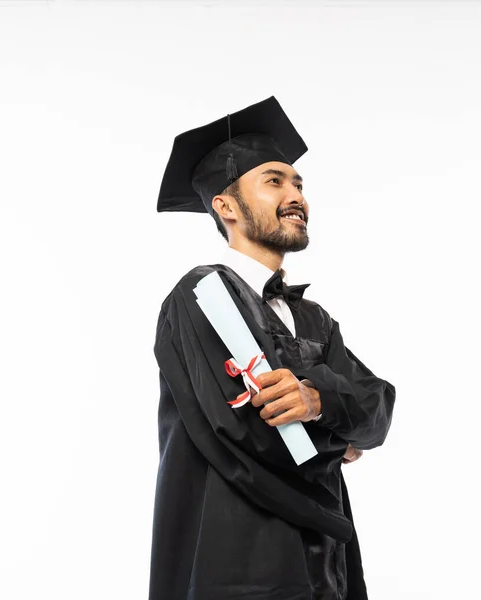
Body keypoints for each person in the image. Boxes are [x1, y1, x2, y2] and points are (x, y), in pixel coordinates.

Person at [148, 96, 396, 600]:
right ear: (226, 205)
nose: (295, 195)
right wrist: (340, 435)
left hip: (328, 566)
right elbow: (251, 432)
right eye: (274, 181)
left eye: (298, 183)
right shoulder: (201, 297)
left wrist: (319, 402)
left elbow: (379, 407)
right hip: (237, 562)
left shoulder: (314, 318)